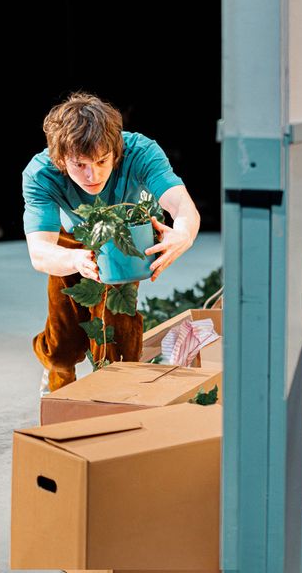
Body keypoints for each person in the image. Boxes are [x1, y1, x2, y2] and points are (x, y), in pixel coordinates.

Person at [22, 92, 200, 396]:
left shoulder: (141, 151)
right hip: (70, 242)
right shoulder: (41, 173)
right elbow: (40, 251)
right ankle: (56, 374)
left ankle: (116, 400)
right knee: (63, 345)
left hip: (124, 236)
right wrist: (76, 260)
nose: (93, 175)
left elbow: (182, 206)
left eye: (102, 161)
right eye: (80, 165)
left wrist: (182, 233)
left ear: (116, 151)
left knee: (117, 334)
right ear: (60, 160)